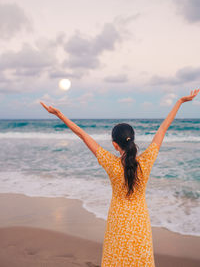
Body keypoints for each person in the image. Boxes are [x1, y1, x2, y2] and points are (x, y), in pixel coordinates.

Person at [40, 88, 199, 267]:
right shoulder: (146, 162)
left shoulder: (110, 163)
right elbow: (163, 128)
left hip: (117, 221)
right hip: (140, 221)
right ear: (132, 141)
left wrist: (60, 114)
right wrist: (180, 101)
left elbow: (83, 135)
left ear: (115, 145)